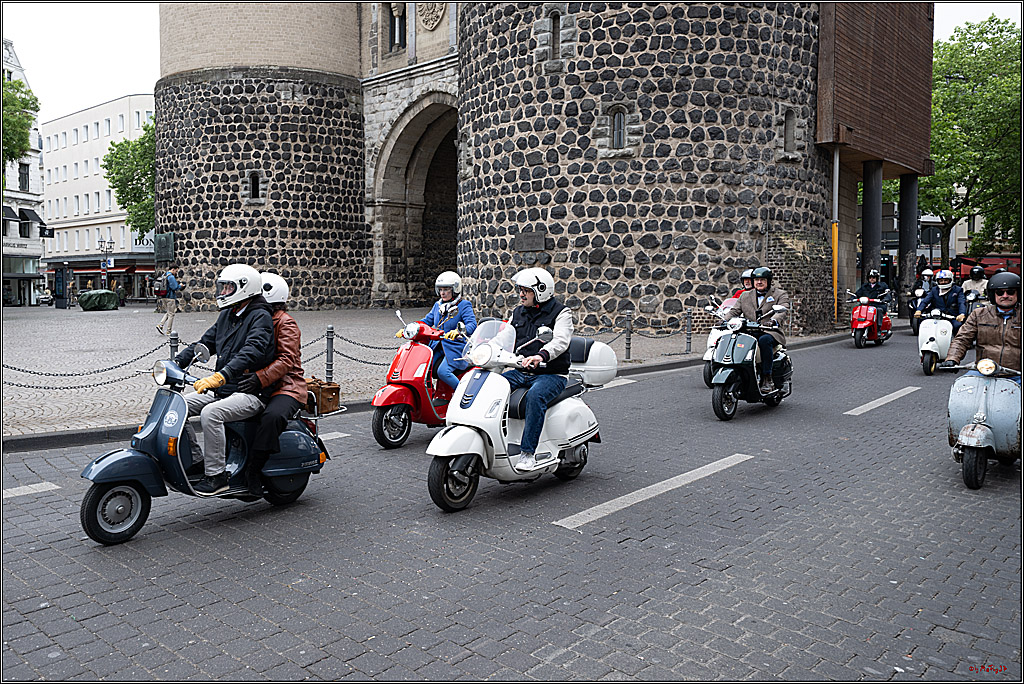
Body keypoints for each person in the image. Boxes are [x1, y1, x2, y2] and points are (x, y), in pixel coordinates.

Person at [173, 264, 275, 495]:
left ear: (244, 288)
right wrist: (177, 362)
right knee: (178, 406)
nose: (224, 291)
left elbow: (253, 350)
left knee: (212, 414)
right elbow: (206, 342)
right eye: (223, 286)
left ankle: (217, 476)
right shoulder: (227, 314)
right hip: (225, 389)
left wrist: (222, 375)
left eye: (229, 287)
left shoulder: (260, 316)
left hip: (250, 391)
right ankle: (197, 461)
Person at [238, 273, 308, 495]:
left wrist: (259, 378)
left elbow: (287, 360)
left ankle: (254, 469)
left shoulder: (285, 322)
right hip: (262, 384)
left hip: (287, 386)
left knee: (272, 417)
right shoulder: (256, 318)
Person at [497, 267, 574, 471]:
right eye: (520, 289)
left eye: (526, 290)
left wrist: (541, 355)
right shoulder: (518, 312)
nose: (521, 294)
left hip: (551, 374)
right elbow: (505, 336)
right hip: (522, 370)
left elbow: (560, 341)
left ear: (540, 291)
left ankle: (527, 453)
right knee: (493, 385)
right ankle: (497, 440)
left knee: (535, 396)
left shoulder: (561, 313)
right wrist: (485, 348)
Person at [401, 271, 478, 393]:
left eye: (446, 289)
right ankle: (428, 395)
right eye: (440, 289)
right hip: (437, 346)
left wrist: (458, 332)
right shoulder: (438, 306)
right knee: (422, 367)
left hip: (455, 347)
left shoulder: (463, 305)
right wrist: (411, 328)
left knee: (443, 371)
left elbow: (472, 324)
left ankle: (464, 394)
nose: (442, 293)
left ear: (454, 289)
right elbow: (427, 320)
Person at [940, 271, 1021, 384]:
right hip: (984, 371)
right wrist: (952, 358)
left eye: (1010, 292)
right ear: (993, 295)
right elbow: (962, 338)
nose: (1005, 296)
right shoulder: (979, 314)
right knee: (962, 389)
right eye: (1000, 292)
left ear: (1018, 293)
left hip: (1017, 374)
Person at [725, 266, 790, 393]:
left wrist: (774, 320)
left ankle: (767, 378)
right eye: (756, 280)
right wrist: (724, 320)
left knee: (764, 340)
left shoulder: (779, 294)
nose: (759, 282)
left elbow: (783, 310)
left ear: (769, 281)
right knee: (733, 338)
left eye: (762, 280)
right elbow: (734, 311)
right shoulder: (745, 295)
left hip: (769, 331)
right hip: (749, 330)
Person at [915, 269, 966, 333]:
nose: (943, 282)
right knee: (924, 323)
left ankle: (956, 342)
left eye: (945, 280)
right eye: (941, 280)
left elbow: (961, 303)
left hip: (952, 317)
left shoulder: (958, 290)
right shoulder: (934, 290)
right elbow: (925, 301)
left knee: (957, 326)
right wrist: (919, 310)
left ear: (950, 280)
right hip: (937, 315)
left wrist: (962, 314)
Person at [157, 265, 183, 335]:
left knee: (169, 312)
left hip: (163, 296)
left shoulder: (164, 275)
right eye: (176, 271)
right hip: (170, 297)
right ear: (173, 269)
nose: (176, 272)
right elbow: (175, 287)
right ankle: (168, 330)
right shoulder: (171, 277)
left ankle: (161, 325)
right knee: (171, 314)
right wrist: (180, 286)